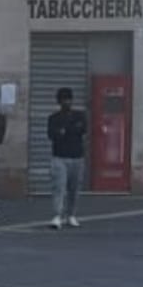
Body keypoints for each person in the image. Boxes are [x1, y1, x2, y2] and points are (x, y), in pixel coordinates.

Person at [47, 87, 86, 230]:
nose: (66, 102)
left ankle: (71, 215)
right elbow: (52, 135)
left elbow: (82, 129)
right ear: (59, 101)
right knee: (59, 187)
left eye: (68, 99)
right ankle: (57, 215)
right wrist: (67, 131)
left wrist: (64, 131)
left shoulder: (79, 116)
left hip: (77, 157)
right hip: (59, 157)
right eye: (64, 99)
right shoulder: (53, 118)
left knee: (74, 189)